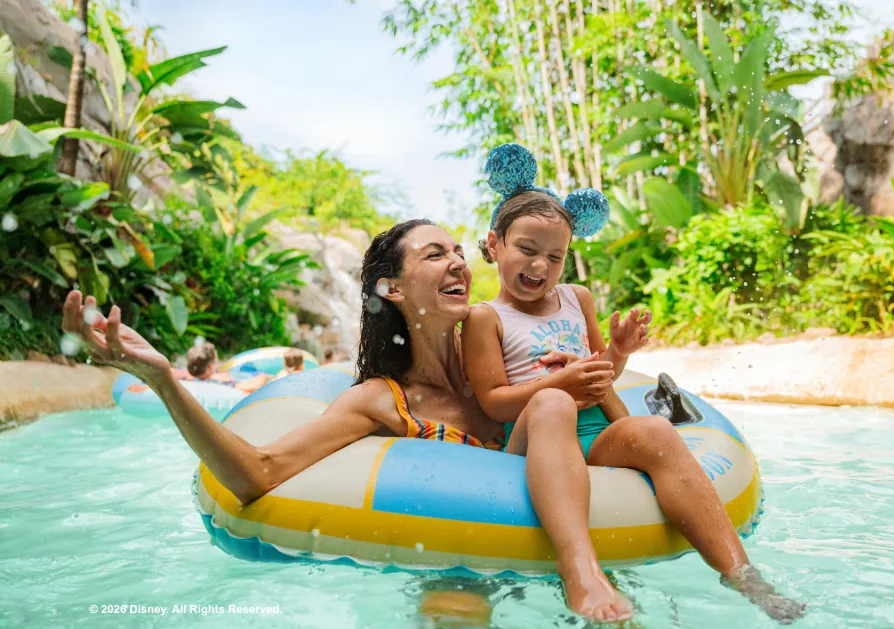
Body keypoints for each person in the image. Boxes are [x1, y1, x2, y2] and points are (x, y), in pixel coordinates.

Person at [61, 219, 797, 623]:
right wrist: (163, 381)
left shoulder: (513, 354)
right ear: (391, 285)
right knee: (454, 612)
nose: (457, 261)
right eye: (434, 252)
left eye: (458, 250)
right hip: (455, 557)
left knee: (636, 431)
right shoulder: (383, 399)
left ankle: (746, 584)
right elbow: (257, 473)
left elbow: (602, 406)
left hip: (573, 504)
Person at [462, 144, 805, 623]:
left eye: (555, 256)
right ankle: (579, 570)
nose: (540, 265)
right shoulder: (485, 318)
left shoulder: (576, 299)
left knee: (658, 432)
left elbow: (601, 376)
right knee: (554, 405)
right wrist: (558, 382)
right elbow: (495, 403)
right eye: (526, 249)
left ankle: (742, 574)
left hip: (595, 434)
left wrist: (617, 352)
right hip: (535, 436)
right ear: (495, 244)